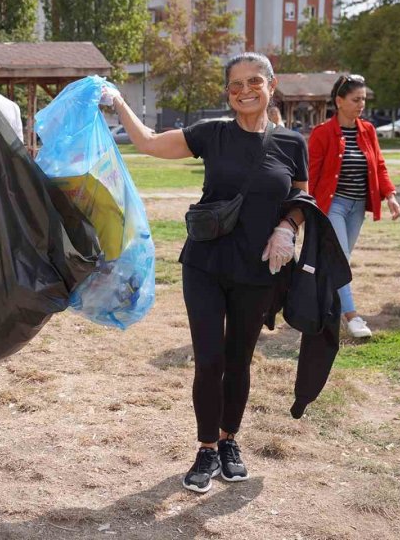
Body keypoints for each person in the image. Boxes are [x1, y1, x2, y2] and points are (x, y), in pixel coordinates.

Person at [101, 52, 308, 494]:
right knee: (209, 359)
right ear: (227, 93)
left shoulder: (292, 142)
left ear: (271, 85)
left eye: (255, 82)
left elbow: (300, 195)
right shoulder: (212, 133)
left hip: (258, 269)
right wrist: (119, 103)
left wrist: (287, 227)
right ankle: (206, 447)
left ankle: (231, 441)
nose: (245, 91)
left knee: (239, 360)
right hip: (206, 264)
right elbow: (152, 143)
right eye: (235, 85)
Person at [308, 74, 400, 338]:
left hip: (357, 207)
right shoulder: (322, 133)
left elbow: (379, 165)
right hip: (333, 205)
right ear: (339, 101)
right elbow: (311, 175)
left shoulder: (368, 131)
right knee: (339, 259)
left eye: (364, 99)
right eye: (356, 99)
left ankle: (323, 304)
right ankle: (352, 317)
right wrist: (307, 210)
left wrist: (391, 195)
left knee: (340, 259)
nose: (362, 104)